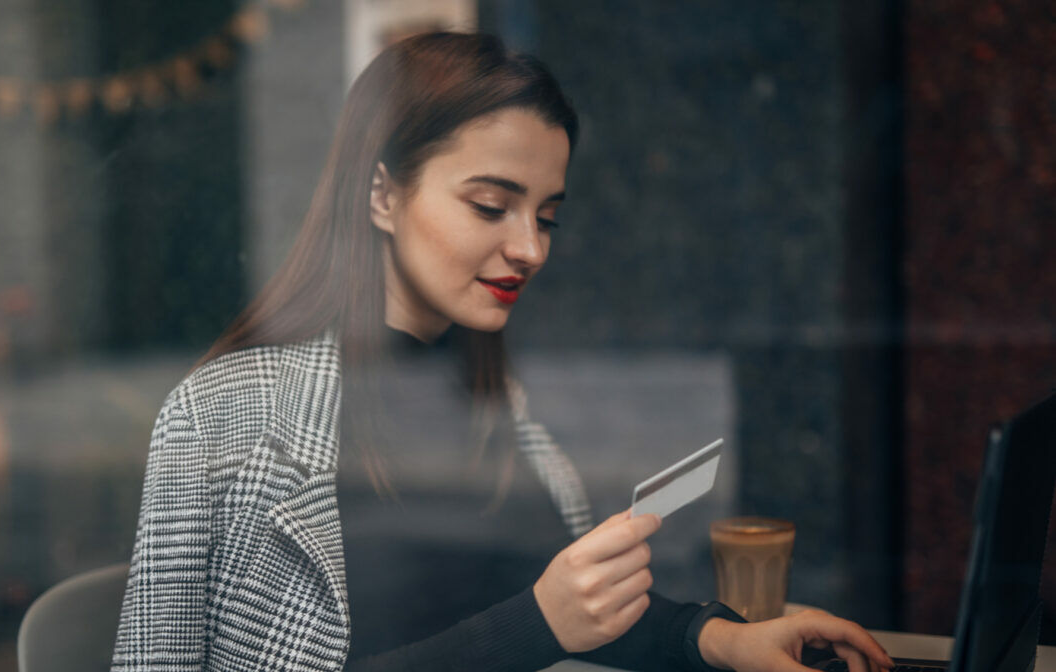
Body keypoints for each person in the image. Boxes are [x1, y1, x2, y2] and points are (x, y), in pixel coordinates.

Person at [111, 31, 895, 672]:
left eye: (547, 217)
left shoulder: (489, 397)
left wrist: (719, 641)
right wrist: (535, 626)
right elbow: (539, 621)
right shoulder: (225, 413)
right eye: (491, 206)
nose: (531, 248)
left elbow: (576, 614)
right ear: (382, 194)